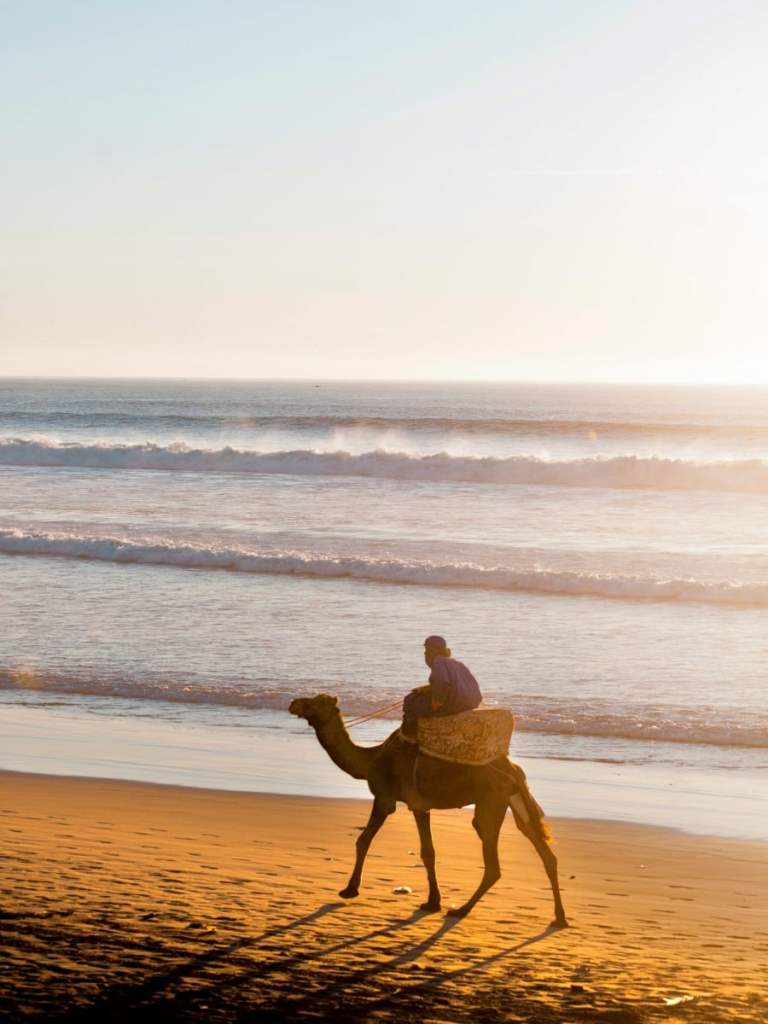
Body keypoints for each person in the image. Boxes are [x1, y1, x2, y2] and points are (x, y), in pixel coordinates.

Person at [401, 635, 482, 740]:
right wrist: (425, 689)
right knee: (419, 696)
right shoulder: (457, 663)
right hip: (471, 703)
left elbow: (443, 682)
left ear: (434, 650)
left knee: (409, 700)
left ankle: (410, 735)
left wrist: (437, 701)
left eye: (427, 649)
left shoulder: (438, 661)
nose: (425, 653)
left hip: (453, 704)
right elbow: (454, 684)